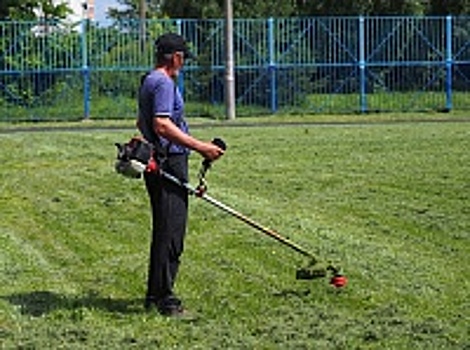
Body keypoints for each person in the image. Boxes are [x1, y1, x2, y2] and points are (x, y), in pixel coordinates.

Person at [136, 33, 224, 317]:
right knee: (171, 232)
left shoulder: (149, 80)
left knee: (165, 228)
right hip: (168, 162)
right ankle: (165, 298)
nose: (183, 63)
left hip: (159, 161)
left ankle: (155, 292)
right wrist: (201, 148)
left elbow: (142, 122)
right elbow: (161, 124)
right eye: (183, 58)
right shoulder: (163, 82)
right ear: (175, 57)